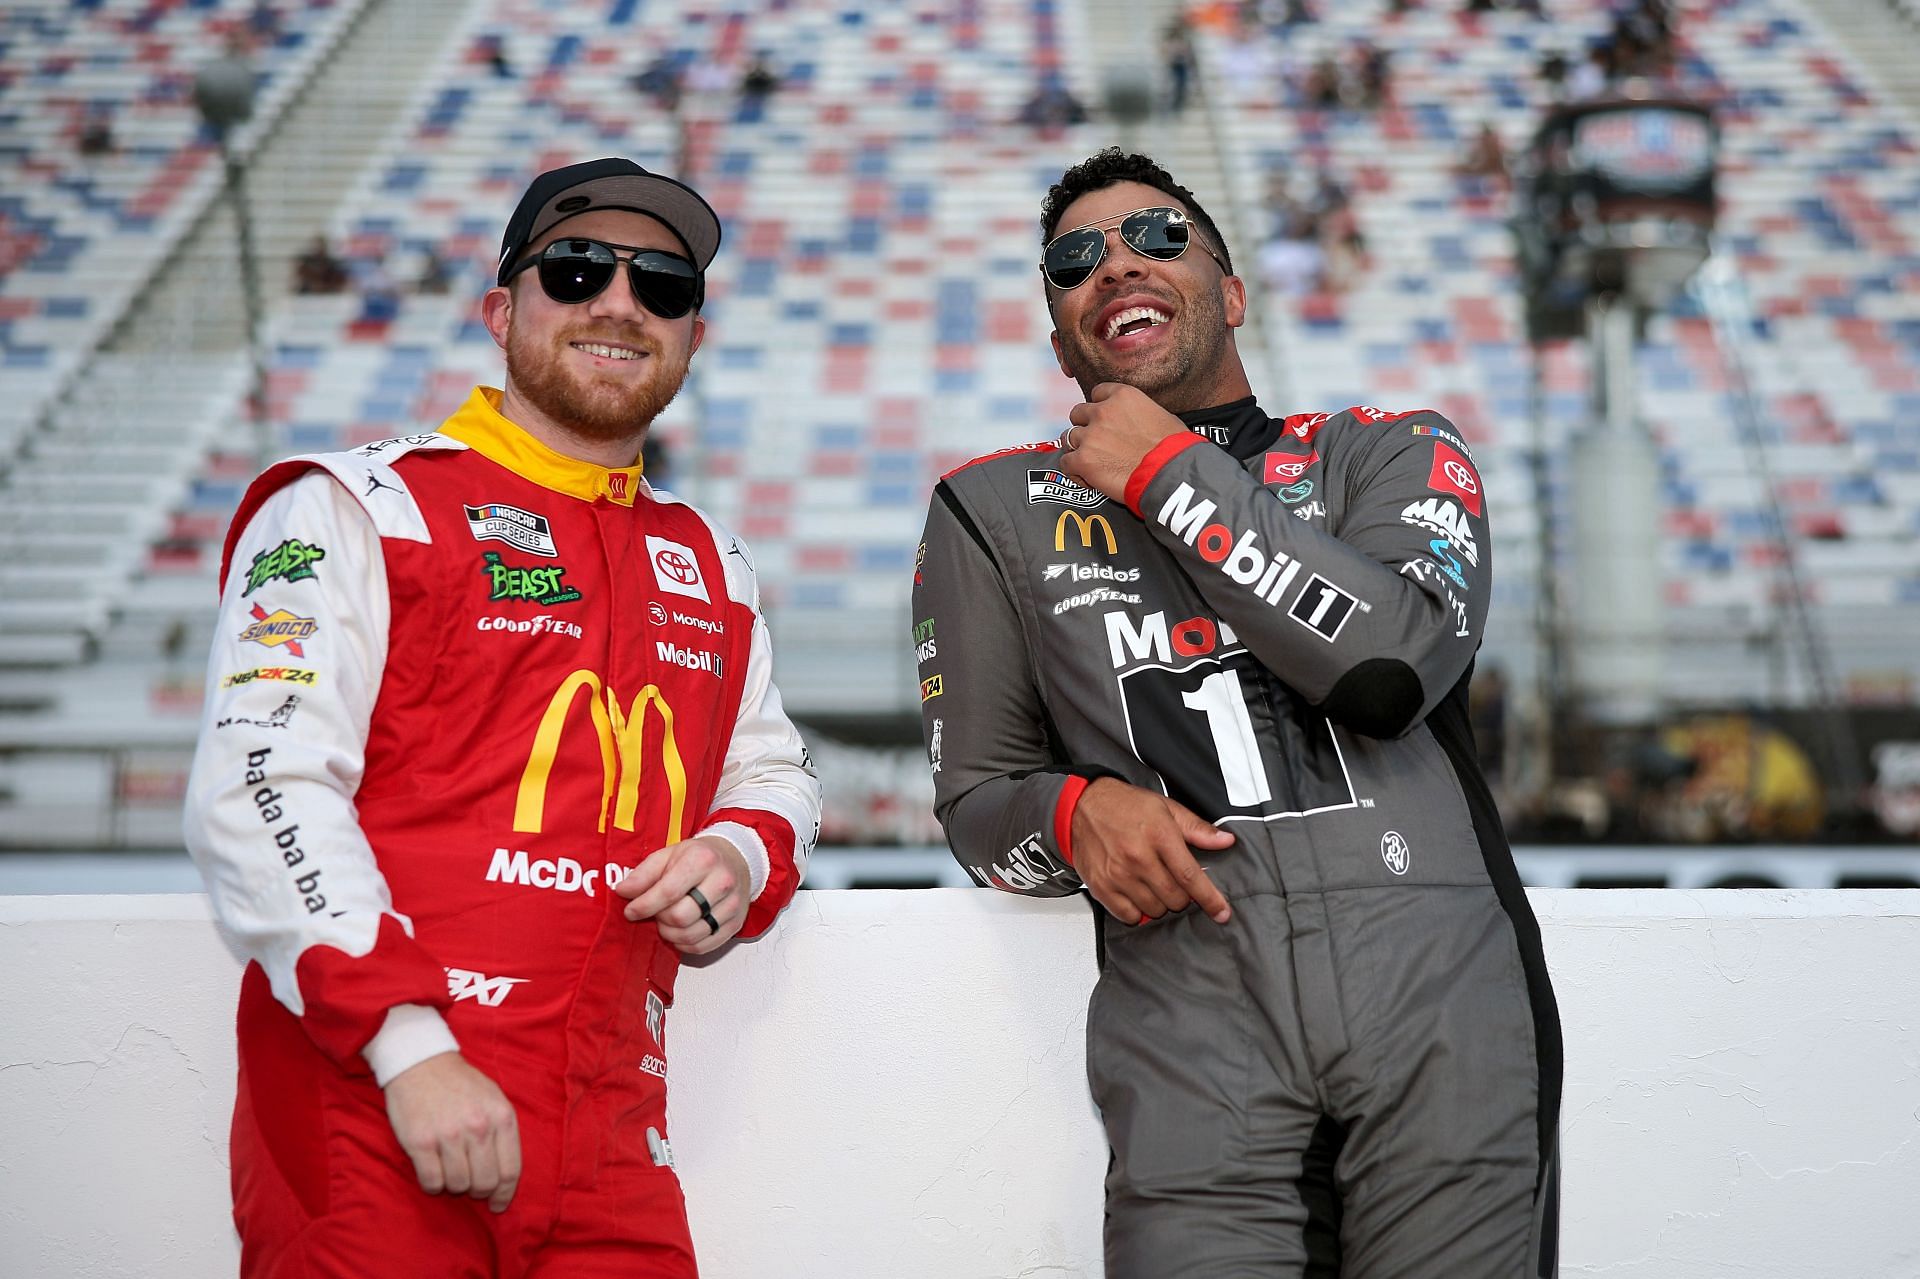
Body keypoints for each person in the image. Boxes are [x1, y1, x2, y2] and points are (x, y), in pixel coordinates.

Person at [913, 148, 1561, 1277]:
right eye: (1076, 260)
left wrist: (1165, 472)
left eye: (1159, 237)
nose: (1116, 265)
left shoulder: (1392, 449)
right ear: (1061, 336)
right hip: (1192, 1050)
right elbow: (977, 807)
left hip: (1449, 1026)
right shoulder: (988, 510)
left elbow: (1384, 670)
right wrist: (1070, 817)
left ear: (1232, 292)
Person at [184, 157, 821, 1278]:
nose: (620, 303)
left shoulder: (710, 561)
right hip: (380, 1105)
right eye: (576, 270)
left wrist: (740, 848)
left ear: (691, 338)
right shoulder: (353, 506)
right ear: (501, 310)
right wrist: (408, 1046)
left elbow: (775, 774)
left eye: (664, 287)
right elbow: (261, 783)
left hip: (619, 1134)